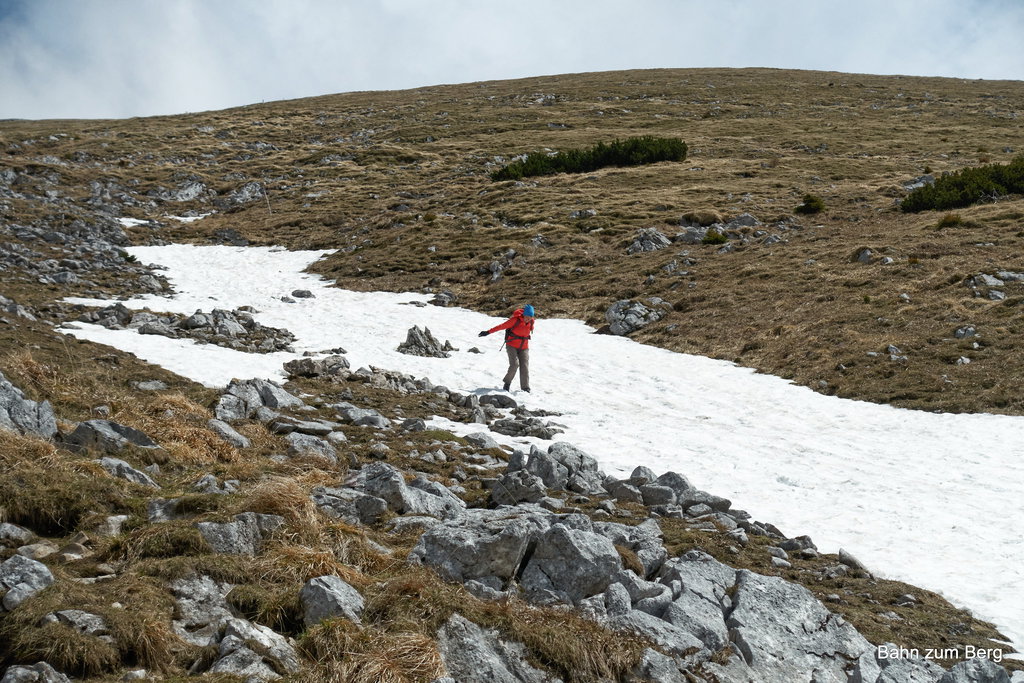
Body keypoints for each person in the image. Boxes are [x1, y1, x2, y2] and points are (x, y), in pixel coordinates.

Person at [479, 304, 535, 392]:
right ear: (524, 315)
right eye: (527, 316)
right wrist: (488, 332)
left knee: (525, 366)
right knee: (514, 365)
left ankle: (525, 387)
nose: (528, 319)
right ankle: (507, 383)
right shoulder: (515, 320)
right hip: (511, 345)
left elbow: (529, 330)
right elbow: (501, 326)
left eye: (530, 317)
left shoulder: (531, 322)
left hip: (524, 347)